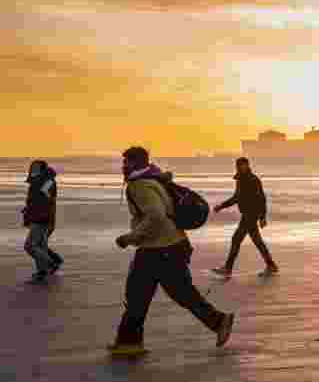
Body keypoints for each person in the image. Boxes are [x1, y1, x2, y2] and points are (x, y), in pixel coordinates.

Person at [108, 146, 234, 357]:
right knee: (143, 295)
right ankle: (129, 342)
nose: (123, 166)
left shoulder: (140, 185)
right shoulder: (154, 179)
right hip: (167, 246)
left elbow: (156, 216)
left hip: (160, 249)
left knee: (162, 294)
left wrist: (129, 238)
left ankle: (219, 321)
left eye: (126, 162)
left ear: (135, 163)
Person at [212, 157, 278, 278]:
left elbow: (261, 198)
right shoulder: (240, 180)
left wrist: (262, 217)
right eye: (239, 165)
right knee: (257, 241)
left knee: (236, 239)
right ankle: (271, 265)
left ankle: (228, 268)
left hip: (251, 215)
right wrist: (221, 206)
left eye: (244, 165)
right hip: (247, 214)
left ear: (248, 166)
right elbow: (236, 197)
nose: (241, 167)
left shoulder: (253, 179)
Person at [21, 160, 62, 283]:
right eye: (32, 167)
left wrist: (38, 211)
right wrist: (28, 209)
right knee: (41, 246)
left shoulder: (47, 181)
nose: (32, 170)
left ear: (42, 169)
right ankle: (42, 273)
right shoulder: (38, 181)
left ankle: (52, 263)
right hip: (38, 217)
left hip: (42, 218)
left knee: (30, 246)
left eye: (35, 168)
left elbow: (45, 200)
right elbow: (36, 199)